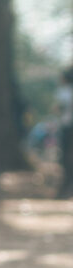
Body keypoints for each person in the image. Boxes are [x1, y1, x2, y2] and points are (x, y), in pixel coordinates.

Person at [56, 66, 73, 198]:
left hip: (67, 127)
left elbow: (59, 109)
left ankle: (66, 188)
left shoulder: (65, 92)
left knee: (66, 158)